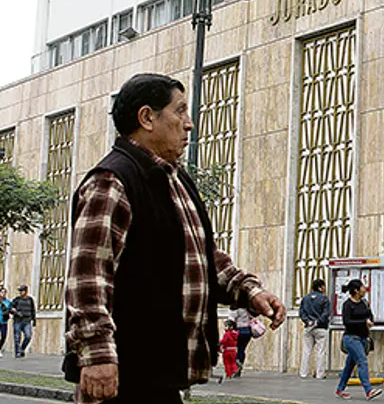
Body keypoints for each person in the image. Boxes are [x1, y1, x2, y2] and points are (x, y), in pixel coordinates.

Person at [64, 73, 287, 404]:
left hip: (162, 372)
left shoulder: (176, 179)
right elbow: (89, 276)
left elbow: (202, 256)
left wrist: (249, 291)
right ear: (147, 118)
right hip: (123, 371)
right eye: (180, 111)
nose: (189, 124)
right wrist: (96, 353)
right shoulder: (112, 181)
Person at [334, 279, 382, 400]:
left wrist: (370, 320)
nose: (365, 289)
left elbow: (370, 315)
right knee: (362, 361)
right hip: (351, 338)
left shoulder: (364, 302)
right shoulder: (347, 305)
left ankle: (340, 389)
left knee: (349, 365)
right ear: (356, 290)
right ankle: (368, 391)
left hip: (363, 338)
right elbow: (347, 322)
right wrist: (363, 322)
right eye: (362, 287)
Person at [299, 278, 331, 379]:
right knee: (320, 351)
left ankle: (303, 373)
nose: (325, 288)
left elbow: (301, 312)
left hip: (308, 327)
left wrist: (308, 321)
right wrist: (318, 322)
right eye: (323, 286)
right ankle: (320, 374)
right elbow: (326, 313)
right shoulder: (324, 299)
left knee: (306, 351)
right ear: (320, 287)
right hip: (321, 328)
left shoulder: (305, 298)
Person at [10, 285, 36, 358]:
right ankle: (17, 352)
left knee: (28, 336)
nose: (20, 292)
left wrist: (34, 320)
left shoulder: (30, 300)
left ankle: (22, 349)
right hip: (18, 320)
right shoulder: (16, 300)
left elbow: (33, 310)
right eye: (20, 291)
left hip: (27, 320)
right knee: (17, 337)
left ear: (26, 291)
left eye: (22, 291)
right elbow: (10, 308)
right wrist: (14, 311)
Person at [226, 307, 253, 377]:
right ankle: (239, 367)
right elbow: (252, 317)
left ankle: (236, 364)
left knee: (232, 349)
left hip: (238, 331)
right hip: (247, 331)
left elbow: (231, 320)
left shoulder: (235, 308)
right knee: (242, 349)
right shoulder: (248, 307)